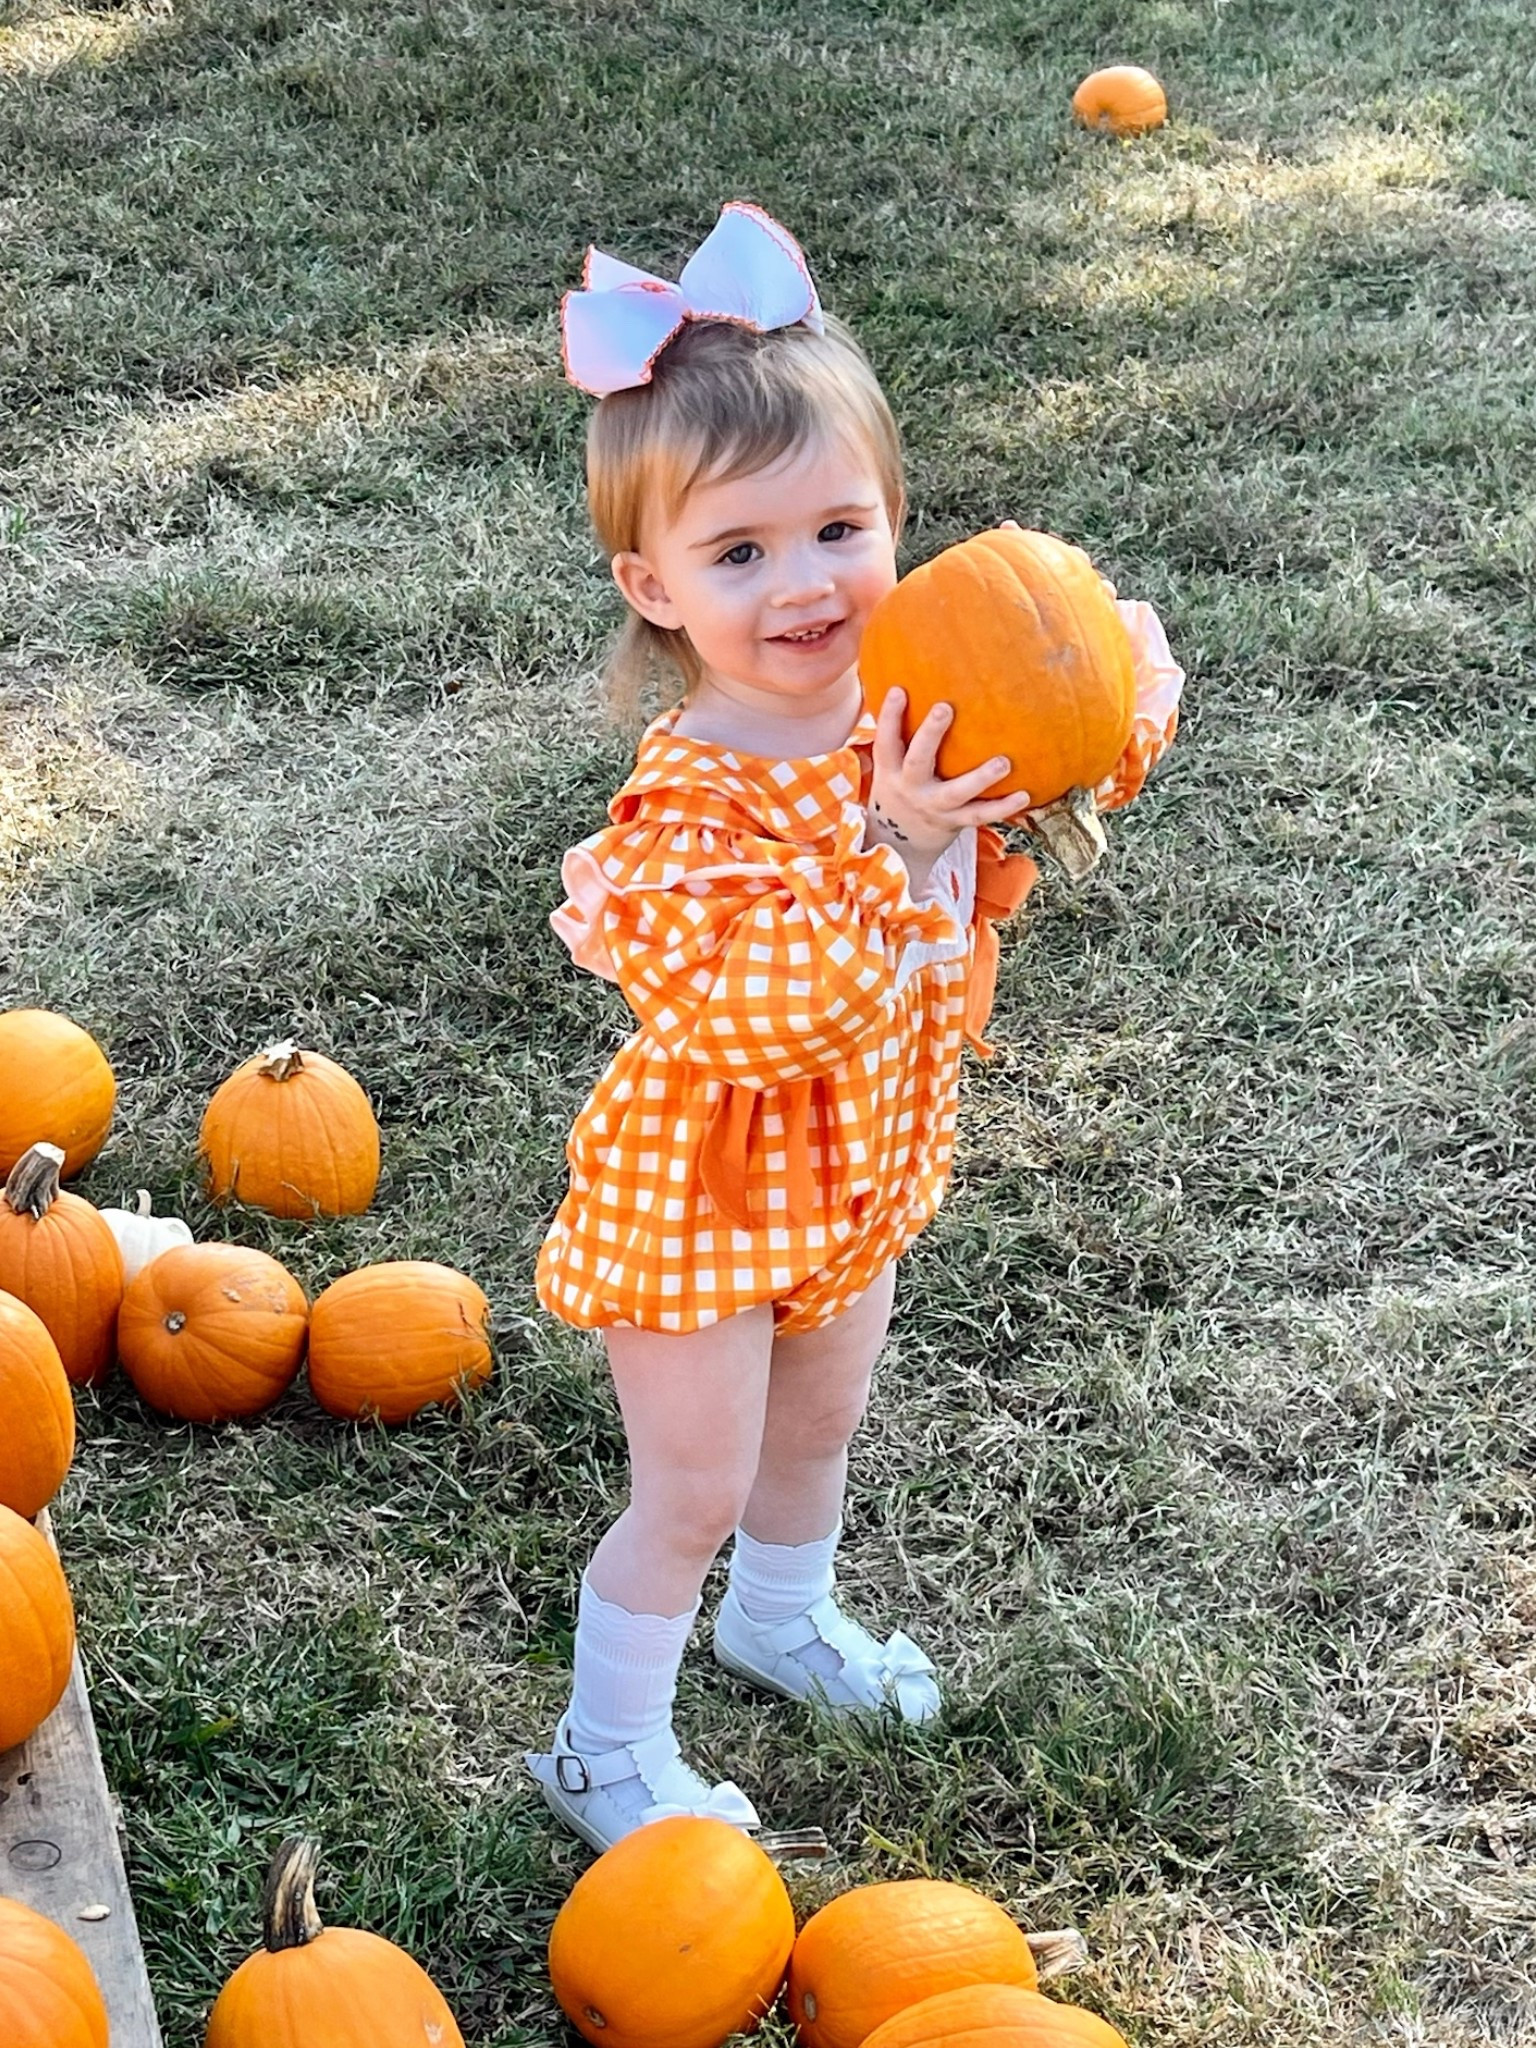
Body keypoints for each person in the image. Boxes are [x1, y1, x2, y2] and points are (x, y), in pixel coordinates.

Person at [525, 201, 1181, 1851]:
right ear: (654, 586)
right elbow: (764, 1020)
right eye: (738, 556)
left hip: (860, 1165)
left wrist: (1098, 704)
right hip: (707, 1194)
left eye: (836, 530)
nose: (804, 585)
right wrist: (891, 846)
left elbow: (1043, 788)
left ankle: (780, 1614)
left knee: (817, 1429)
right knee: (690, 1485)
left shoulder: (918, 702)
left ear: (893, 515)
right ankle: (605, 1746)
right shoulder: (685, 804)